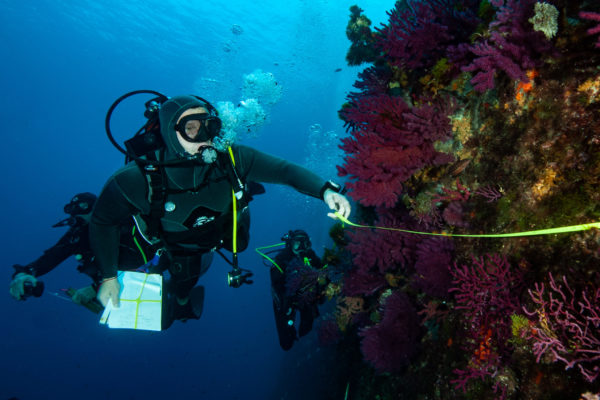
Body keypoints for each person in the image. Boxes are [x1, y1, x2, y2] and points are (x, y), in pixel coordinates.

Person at [91, 94, 351, 327]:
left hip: (219, 230)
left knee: (239, 243)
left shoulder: (232, 157)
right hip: (174, 243)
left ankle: (241, 191)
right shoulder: (135, 178)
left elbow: (283, 170)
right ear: (171, 134)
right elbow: (102, 221)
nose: (204, 136)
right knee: (179, 280)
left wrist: (324, 190)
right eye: (191, 128)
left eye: (209, 126)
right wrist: (109, 277)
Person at [9, 193, 154, 312]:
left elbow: (142, 262)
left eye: (85, 208)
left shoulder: (125, 225)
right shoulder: (78, 235)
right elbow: (52, 256)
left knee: (168, 315)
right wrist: (24, 274)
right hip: (121, 302)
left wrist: (95, 288)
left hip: (148, 289)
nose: (80, 217)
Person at [270, 229, 327, 350]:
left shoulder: (310, 254)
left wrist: (323, 285)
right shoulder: (282, 258)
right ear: (290, 243)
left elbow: (322, 269)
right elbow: (276, 282)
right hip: (284, 298)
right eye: (297, 242)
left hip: (304, 295)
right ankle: (290, 335)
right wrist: (287, 298)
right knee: (286, 343)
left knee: (307, 326)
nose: (301, 246)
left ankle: (303, 337)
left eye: (304, 243)